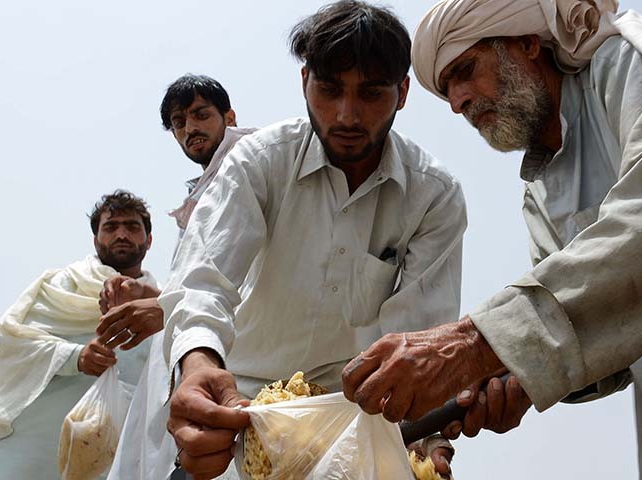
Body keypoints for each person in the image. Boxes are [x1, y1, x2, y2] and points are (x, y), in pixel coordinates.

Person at [343, 1, 642, 478]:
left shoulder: (621, 67)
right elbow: (592, 337)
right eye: (447, 90)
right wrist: (507, 379)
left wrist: (476, 344)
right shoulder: (538, 194)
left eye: (465, 71)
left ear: (528, 44)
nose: (457, 102)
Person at [162, 1, 467, 478]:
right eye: (329, 89)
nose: (347, 115)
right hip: (238, 408)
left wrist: (425, 436)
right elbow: (204, 279)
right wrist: (198, 363)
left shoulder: (434, 195)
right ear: (305, 81)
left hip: (351, 422)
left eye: (370, 92)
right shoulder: (259, 162)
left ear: (402, 92)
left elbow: (419, 340)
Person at [103, 75, 254, 480]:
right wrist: (155, 294)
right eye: (178, 122)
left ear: (229, 116)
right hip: (189, 353)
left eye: (201, 115)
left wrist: (165, 306)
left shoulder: (254, 170)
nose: (190, 129)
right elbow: (203, 276)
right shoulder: (204, 186)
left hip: (238, 359)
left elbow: (250, 276)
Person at [0, 190, 158, 479]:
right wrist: (75, 357)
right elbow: (14, 345)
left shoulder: (164, 308)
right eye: (111, 227)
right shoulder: (58, 286)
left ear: (149, 240)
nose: (121, 234)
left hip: (113, 463)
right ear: (96, 240)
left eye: (132, 227)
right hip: (26, 459)